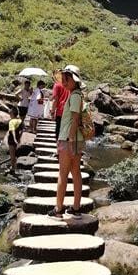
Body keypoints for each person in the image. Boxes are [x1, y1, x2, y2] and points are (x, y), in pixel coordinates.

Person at [48, 65, 86, 219]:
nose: (63, 82)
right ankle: (76, 208)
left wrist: (69, 139)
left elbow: (75, 119)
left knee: (63, 173)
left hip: (69, 139)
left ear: (72, 80)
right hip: (74, 139)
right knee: (75, 172)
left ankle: (58, 209)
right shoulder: (76, 94)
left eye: (65, 79)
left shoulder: (75, 95)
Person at [50, 70, 70, 139]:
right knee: (66, 130)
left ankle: (59, 146)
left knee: (58, 129)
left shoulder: (57, 85)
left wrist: (52, 112)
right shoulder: (69, 84)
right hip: (69, 110)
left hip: (60, 110)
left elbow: (55, 99)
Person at [7, 106, 23, 176]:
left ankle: (13, 169)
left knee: (12, 155)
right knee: (15, 154)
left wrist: (14, 139)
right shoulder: (20, 120)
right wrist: (19, 138)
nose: (9, 113)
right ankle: (14, 167)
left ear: (12, 113)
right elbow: (22, 130)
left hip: (11, 140)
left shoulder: (11, 122)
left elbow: (12, 131)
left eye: (10, 112)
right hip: (17, 138)